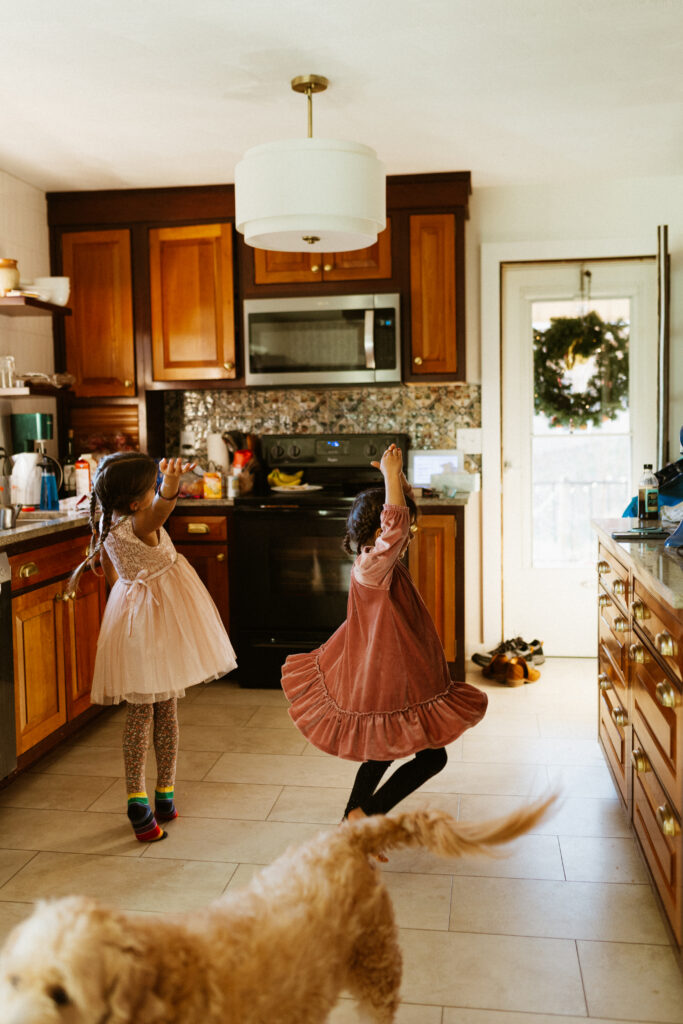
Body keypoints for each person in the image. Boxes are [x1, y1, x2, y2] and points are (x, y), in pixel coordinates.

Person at [281, 444, 488, 842]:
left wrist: (396, 483)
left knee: (382, 754)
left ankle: (352, 828)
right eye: (403, 528)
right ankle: (364, 818)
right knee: (429, 756)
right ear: (381, 533)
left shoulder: (374, 557)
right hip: (391, 675)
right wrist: (391, 480)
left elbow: (398, 526)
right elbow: (397, 529)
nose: (408, 535)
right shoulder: (374, 566)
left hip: (394, 671)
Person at [66, 452, 237, 842]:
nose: (154, 492)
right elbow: (161, 511)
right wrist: (171, 483)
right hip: (159, 623)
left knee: (147, 712)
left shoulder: (107, 524)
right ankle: (149, 798)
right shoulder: (143, 522)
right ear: (136, 502)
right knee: (161, 712)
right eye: (149, 487)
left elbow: (115, 579)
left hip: (134, 622)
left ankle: (154, 797)